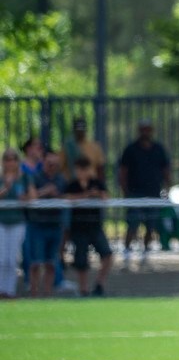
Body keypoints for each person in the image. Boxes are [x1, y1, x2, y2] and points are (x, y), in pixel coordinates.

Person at [118, 118, 171, 269]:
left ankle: (145, 256)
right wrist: (125, 191)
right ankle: (127, 257)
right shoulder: (131, 149)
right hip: (134, 193)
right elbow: (123, 171)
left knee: (151, 226)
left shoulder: (158, 149)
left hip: (153, 193)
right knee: (132, 225)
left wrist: (167, 189)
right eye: (143, 129)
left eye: (147, 129)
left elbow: (166, 170)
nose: (145, 132)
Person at [64, 155, 113, 296]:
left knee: (107, 254)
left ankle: (99, 284)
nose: (83, 172)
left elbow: (106, 197)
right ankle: (83, 289)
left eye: (85, 169)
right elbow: (66, 198)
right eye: (80, 169)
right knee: (81, 259)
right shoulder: (72, 185)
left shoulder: (96, 183)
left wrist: (97, 194)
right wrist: (86, 195)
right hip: (78, 227)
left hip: (95, 226)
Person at [22, 150, 67, 298]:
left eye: (55, 164)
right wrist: (45, 191)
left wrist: (57, 195)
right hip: (38, 225)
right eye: (49, 164)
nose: (52, 166)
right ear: (44, 163)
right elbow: (30, 196)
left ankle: (47, 294)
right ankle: (34, 293)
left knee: (51, 262)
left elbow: (66, 197)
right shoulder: (34, 177)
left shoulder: (61, 179)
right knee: (35, 262)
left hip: (55, 225)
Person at [1, 148, 32, 298]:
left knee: (12, 259)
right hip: (1, 221)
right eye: (7, 159)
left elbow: (33, 196)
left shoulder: (24, 177)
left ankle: (10, 291)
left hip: (17, 222)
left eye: (13, 159)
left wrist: (24, 197)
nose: (10, 162)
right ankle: (1, 290)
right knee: (1, 259)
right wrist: (6, 187)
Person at [63, 117, 106, 184]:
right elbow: (61, 168)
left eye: (82, 127)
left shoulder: (95, 146)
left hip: (91, 184)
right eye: (78, 127)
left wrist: (101, 185)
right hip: (72, 184)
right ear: (74, 129)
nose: (80, 130)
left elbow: (100, 169)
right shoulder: (67, 146)